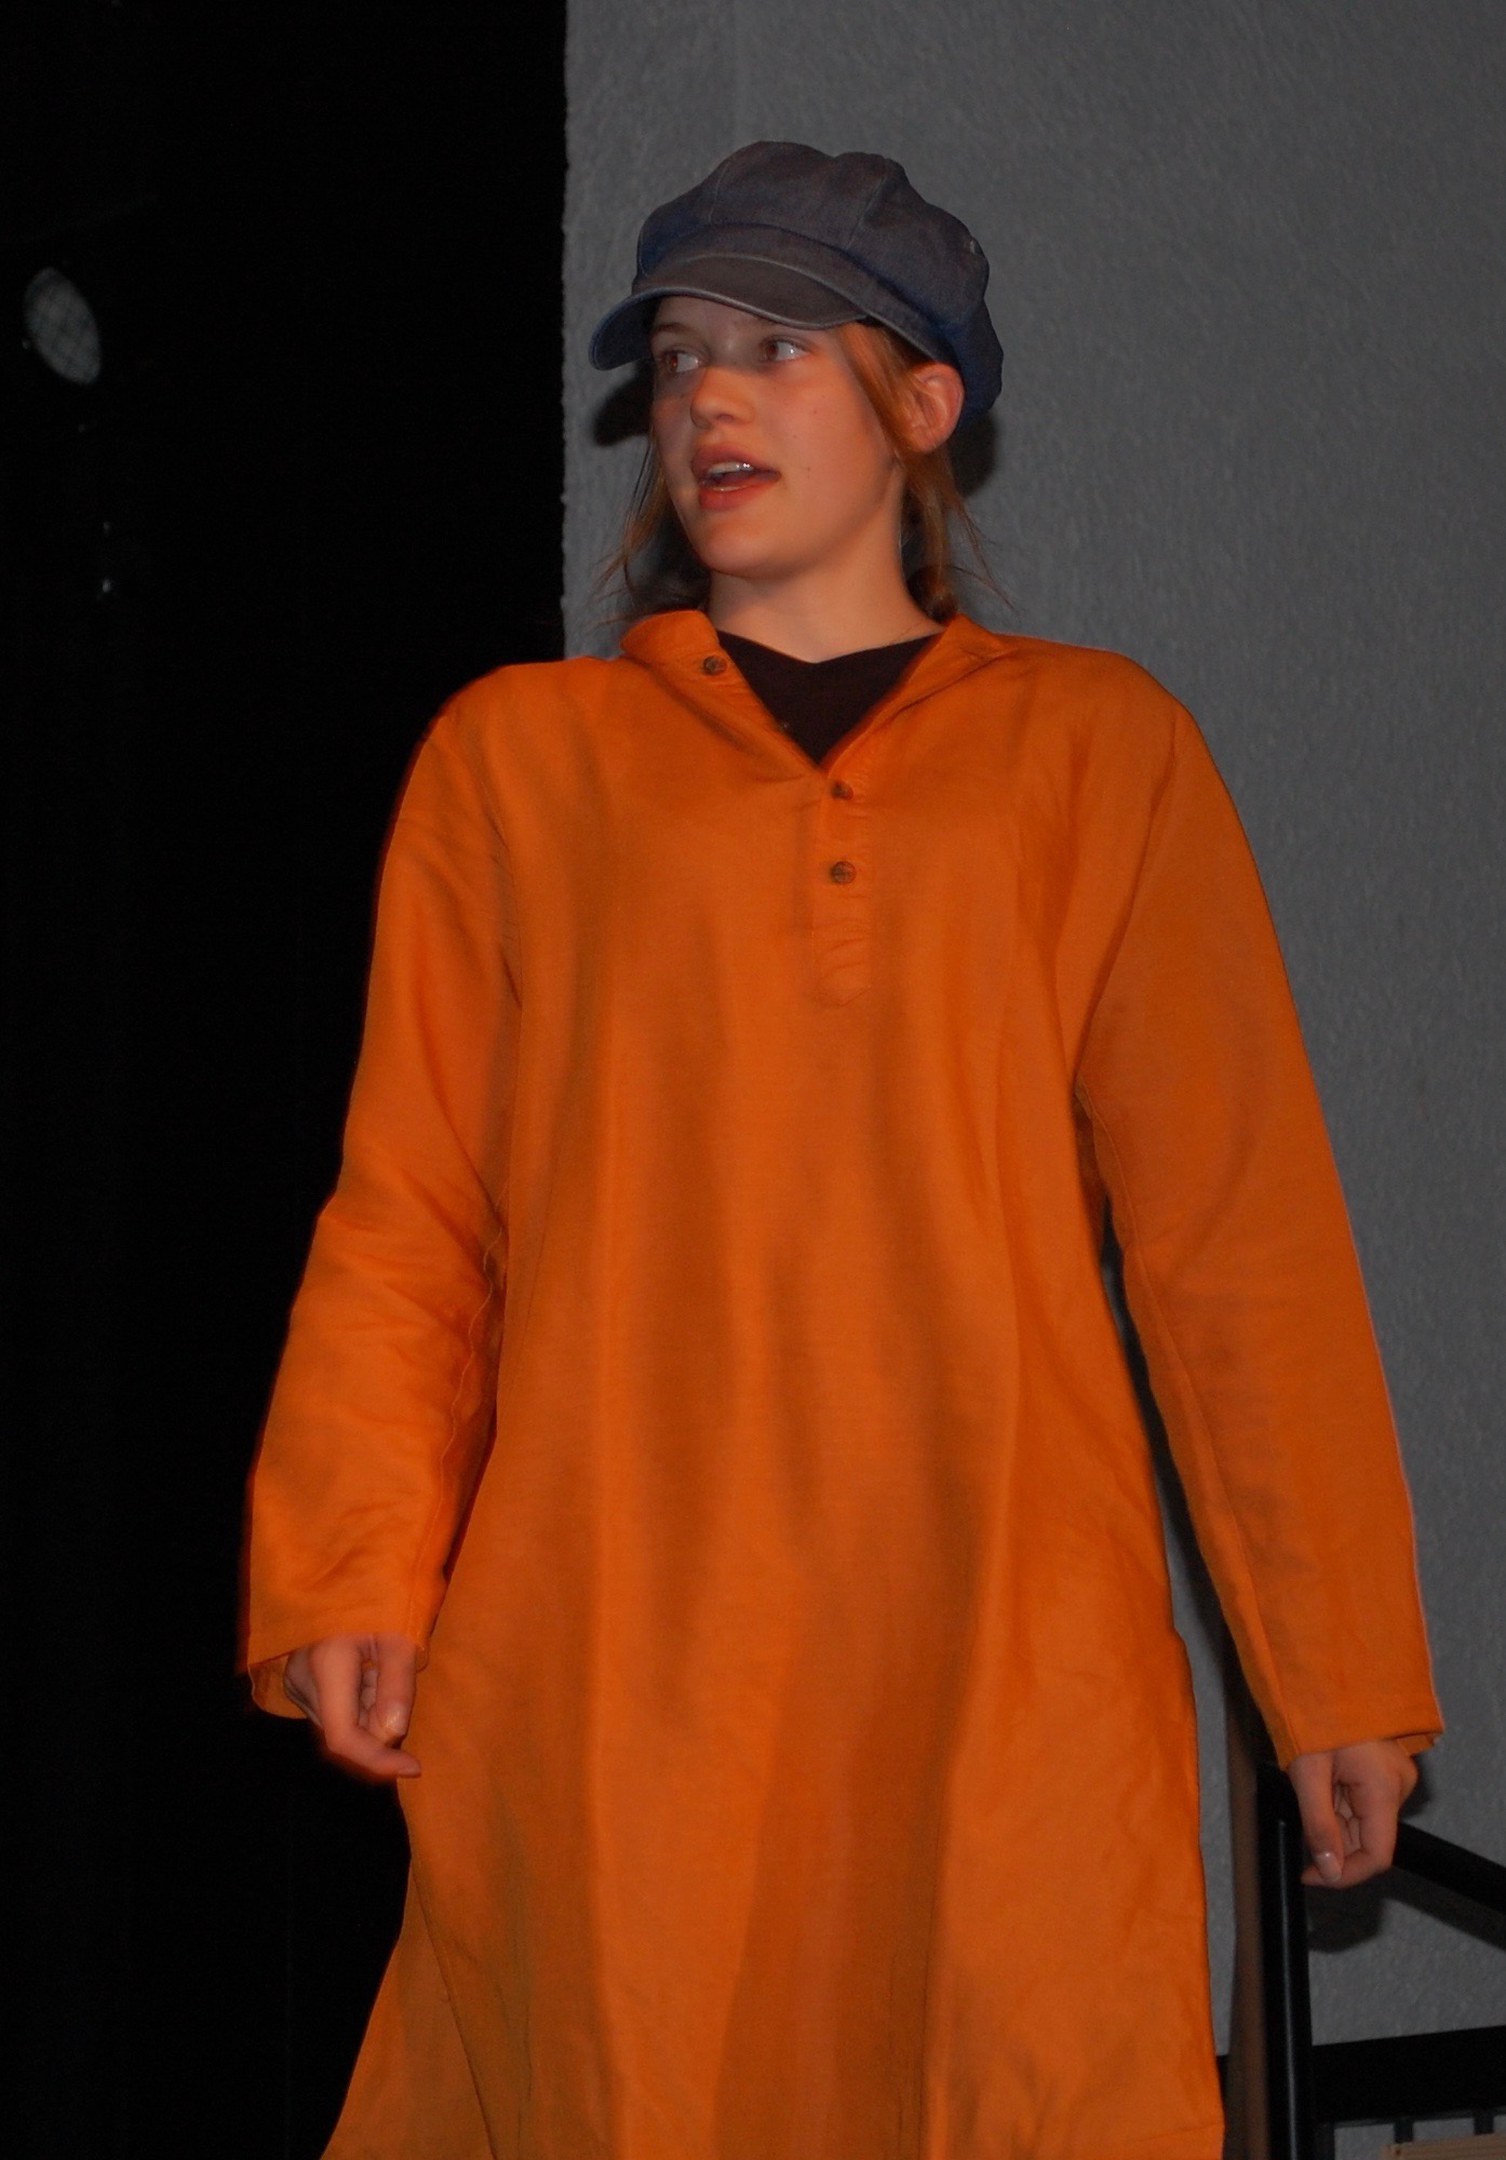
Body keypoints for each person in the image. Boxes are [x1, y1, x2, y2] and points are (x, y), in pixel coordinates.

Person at [242, 140, 1443, 2159]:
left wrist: (1337, 1673)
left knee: (1021, 2074)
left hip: (995, 1648)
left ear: (922, 402)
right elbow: (417, 1210)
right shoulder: (520, 766)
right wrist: (356, 1558)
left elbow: (1238, 1242)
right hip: (623, 1644)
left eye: (780, 344)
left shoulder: (1098, 756)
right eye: (681, 356)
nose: (709, 395)